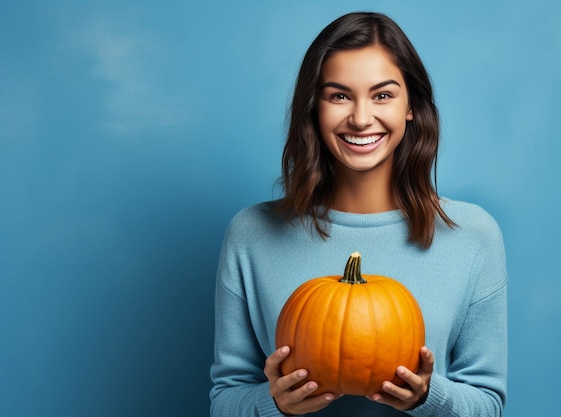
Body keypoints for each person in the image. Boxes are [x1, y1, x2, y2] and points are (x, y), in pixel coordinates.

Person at [209, 11, 507, 417]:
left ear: (411, 107)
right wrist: (273, 403)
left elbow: (488, 405)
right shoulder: (252, 233)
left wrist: (427, 397)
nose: (361, 118)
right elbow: (225, 400)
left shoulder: (473, 235)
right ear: (314, 108)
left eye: (382, 95)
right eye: (339, 95)